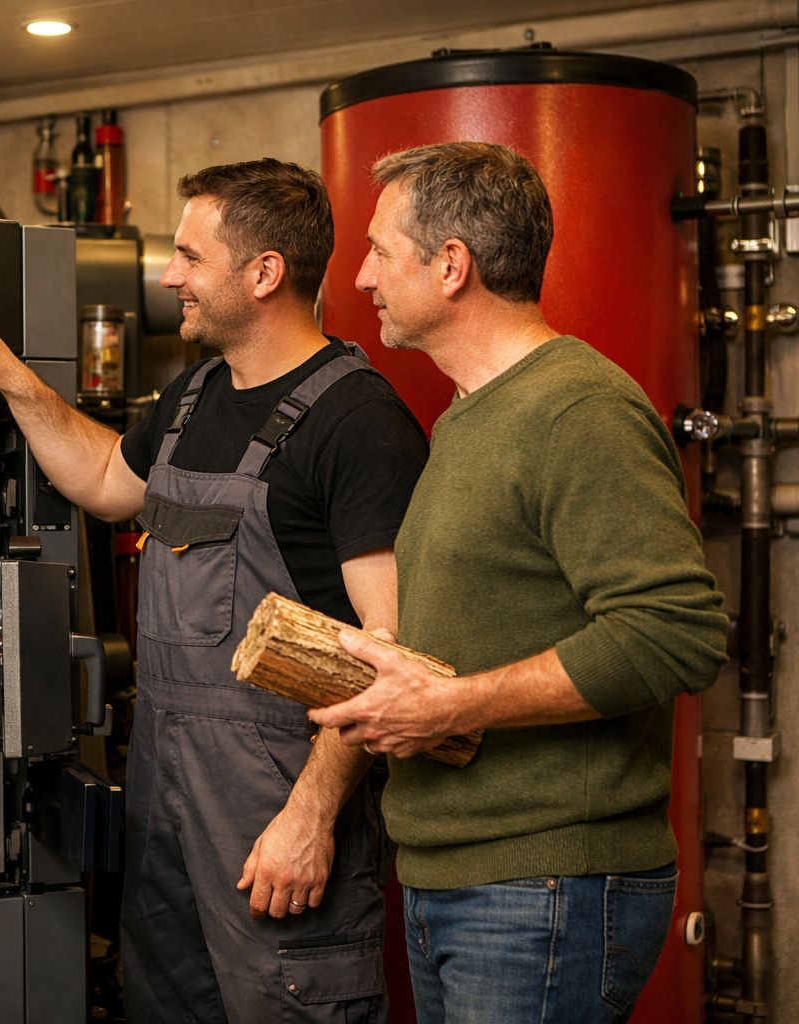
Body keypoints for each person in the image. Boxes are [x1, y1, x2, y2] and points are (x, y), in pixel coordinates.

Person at [0, 157, 427, 1023]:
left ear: (263, 273)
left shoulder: (358, 423)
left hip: (276, 810)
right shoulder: (194, 397)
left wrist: (309, 817)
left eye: (191, 256)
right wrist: (12, 379)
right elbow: (109, 479)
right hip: (166, 804)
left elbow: (388, 654)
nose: (170, 276)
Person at [310, 141, 729, 1024]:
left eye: (382, 249)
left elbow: (673, 631)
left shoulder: (576, 409)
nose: (361, 275)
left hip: (544, 888)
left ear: (452, 264)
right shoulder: (472, 413)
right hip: (461, 877)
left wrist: (452, 706)